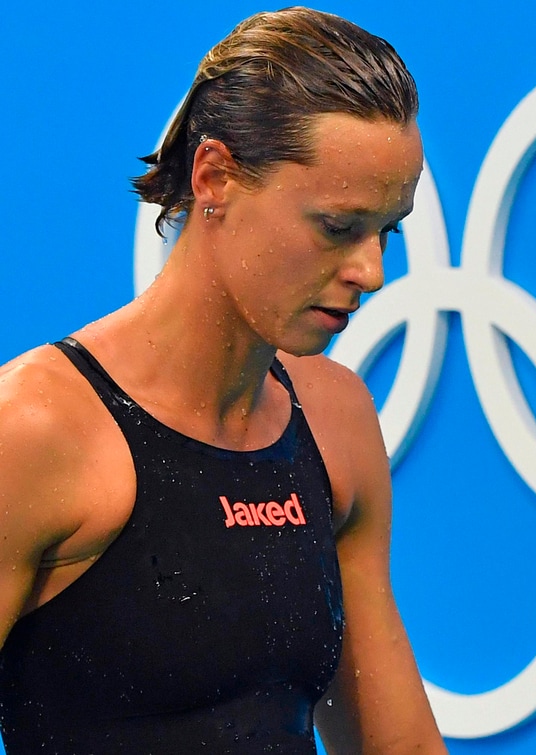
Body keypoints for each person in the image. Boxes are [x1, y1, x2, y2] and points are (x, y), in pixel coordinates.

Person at [0, 7, 447, 754]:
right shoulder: (33, 431)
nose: (371, 272)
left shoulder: (335, 419)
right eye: (338, 227)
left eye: (388, 230)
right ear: (215, 176)